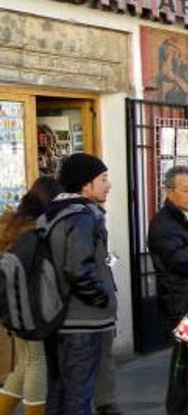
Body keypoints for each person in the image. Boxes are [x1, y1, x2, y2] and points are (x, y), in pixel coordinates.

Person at [43, 152, 118, 415]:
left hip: (61, 319)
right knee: (78, 397)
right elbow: (79, 269)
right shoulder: (80, 216)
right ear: (86, 184)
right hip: (82, 322)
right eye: (103, 178)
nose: (108, 184)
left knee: (61, 392)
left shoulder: (55, 213)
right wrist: (102, 298)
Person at [147, 166, 188, 415]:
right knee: (185, 359)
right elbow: (183, 261)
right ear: (169, 191)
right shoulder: (163, 225)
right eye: (185, 189)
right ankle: (179, 409)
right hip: (182, 300)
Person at [0, 176, 62, 415]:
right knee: (37, 362)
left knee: (24, 363)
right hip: (31, 307)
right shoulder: (36, 230)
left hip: (12, 308)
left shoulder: (13, 224)